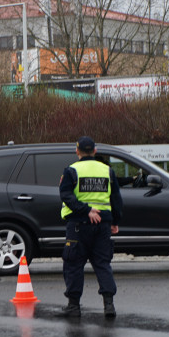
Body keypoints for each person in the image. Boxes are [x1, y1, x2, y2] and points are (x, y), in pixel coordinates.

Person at [57, 136, 124, 318]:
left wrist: (85, 210)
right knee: (103, 264)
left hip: (79, 225)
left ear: (77, 151)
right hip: (102, 225)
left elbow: (66, 196)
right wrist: (115, 221)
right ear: (95, 151)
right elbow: (116, 199)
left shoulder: (72, 170)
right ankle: (109, 306)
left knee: (73, 265)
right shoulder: (107, 171)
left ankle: (73, 306)